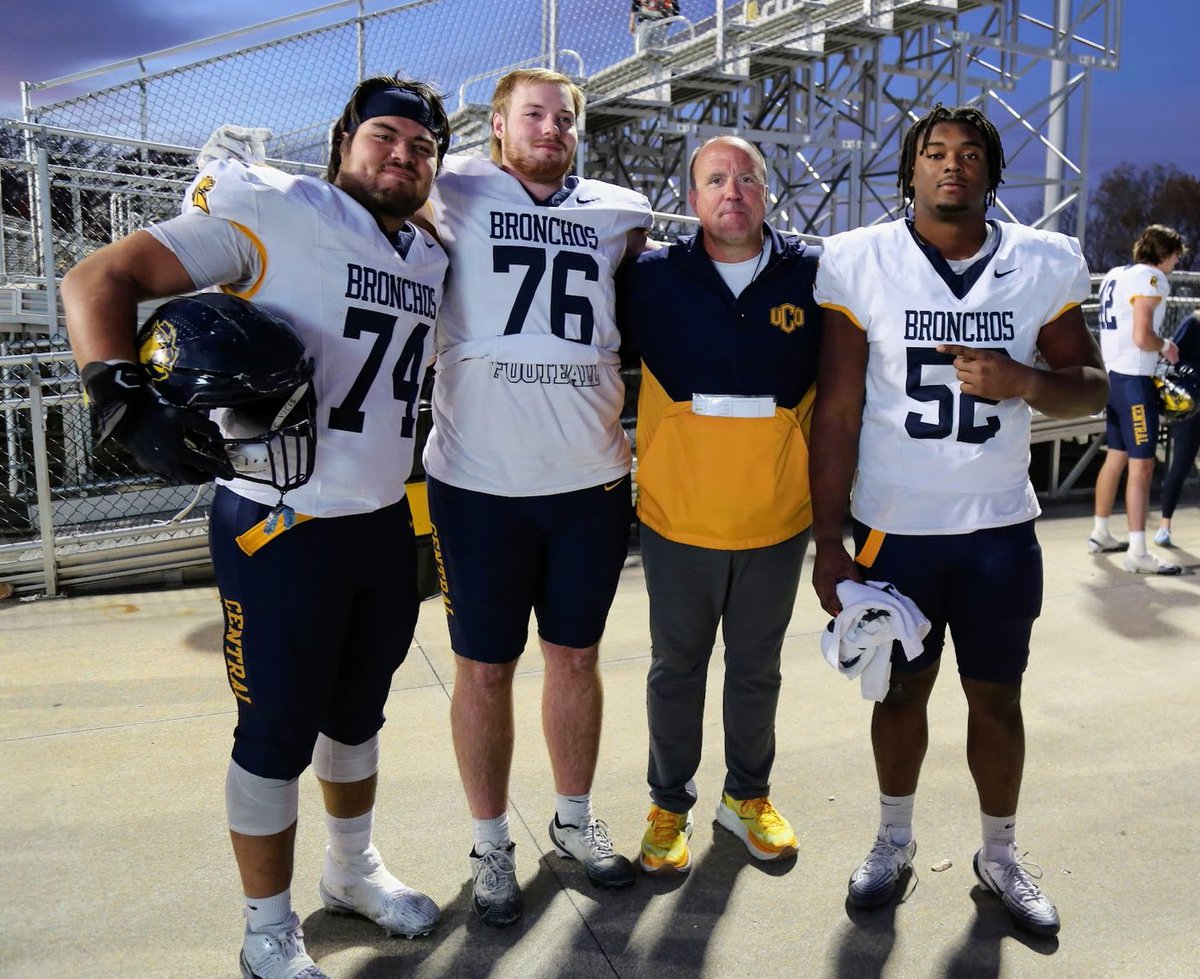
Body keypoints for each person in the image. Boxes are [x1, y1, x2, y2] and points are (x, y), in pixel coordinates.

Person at [63, 76, 451, 979]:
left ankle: (351, 871)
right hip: (279, 524)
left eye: (422, 148)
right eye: (384, 136)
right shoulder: (278, 212)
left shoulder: (428, 253)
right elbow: (101, 277)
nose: (403, 156)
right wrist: (117, 394)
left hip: (382, 521)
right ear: (343, 139)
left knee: (358, 718)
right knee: (275, 732)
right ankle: (266, 928)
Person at [808, 104, 1108, 937]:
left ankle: (1000, 855)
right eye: (934, 153)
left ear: (991, 173)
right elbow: (835, 410)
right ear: (909, 171)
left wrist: (1025, 381)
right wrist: (826, 540)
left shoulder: (1041, 262)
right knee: (899, 693)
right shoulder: (860, 260)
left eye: (970, 154)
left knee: (997, 699)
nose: (952, 165)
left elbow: (1089, 384)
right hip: (892, 528)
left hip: (997, 528)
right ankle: (892, 838)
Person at [421, 68, 653, 925]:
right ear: (497, 124)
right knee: (485, 668)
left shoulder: (619, 210)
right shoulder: (450, 187)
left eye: (564, 117)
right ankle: (490, 842)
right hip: (479, 485)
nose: (551, 128)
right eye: (533, 114)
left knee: (578, 659)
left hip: (589, 480)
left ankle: (575, 819)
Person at [616, 136, 821, 873]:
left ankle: (747, 797)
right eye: (714, 179)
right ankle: (669, 803)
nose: (732, 190)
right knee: (676, 667)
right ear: (693, 197)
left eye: (747, 178)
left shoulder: (813, 276)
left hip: (774, 516)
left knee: (757, 666)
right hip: (679, 516)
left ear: (767, 192)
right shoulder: (647, 277)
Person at [1089, 224, 1186, 573]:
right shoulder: (1152, 278)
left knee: (1115, 457)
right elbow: (1143, 335)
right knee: (1142, 465)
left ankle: (1100, 532)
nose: (1176, 262)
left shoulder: (1118, 273)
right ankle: (1139, 552)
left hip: (1112, 377)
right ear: (1165, 253)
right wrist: (1166, 346)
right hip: (1134, 381)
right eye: (1176, 255)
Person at [1155, 310, 1200, 546]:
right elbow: (1173, 357)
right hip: (1192, 406)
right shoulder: (1194, 322)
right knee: (1181, 465)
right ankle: (1164, 526)